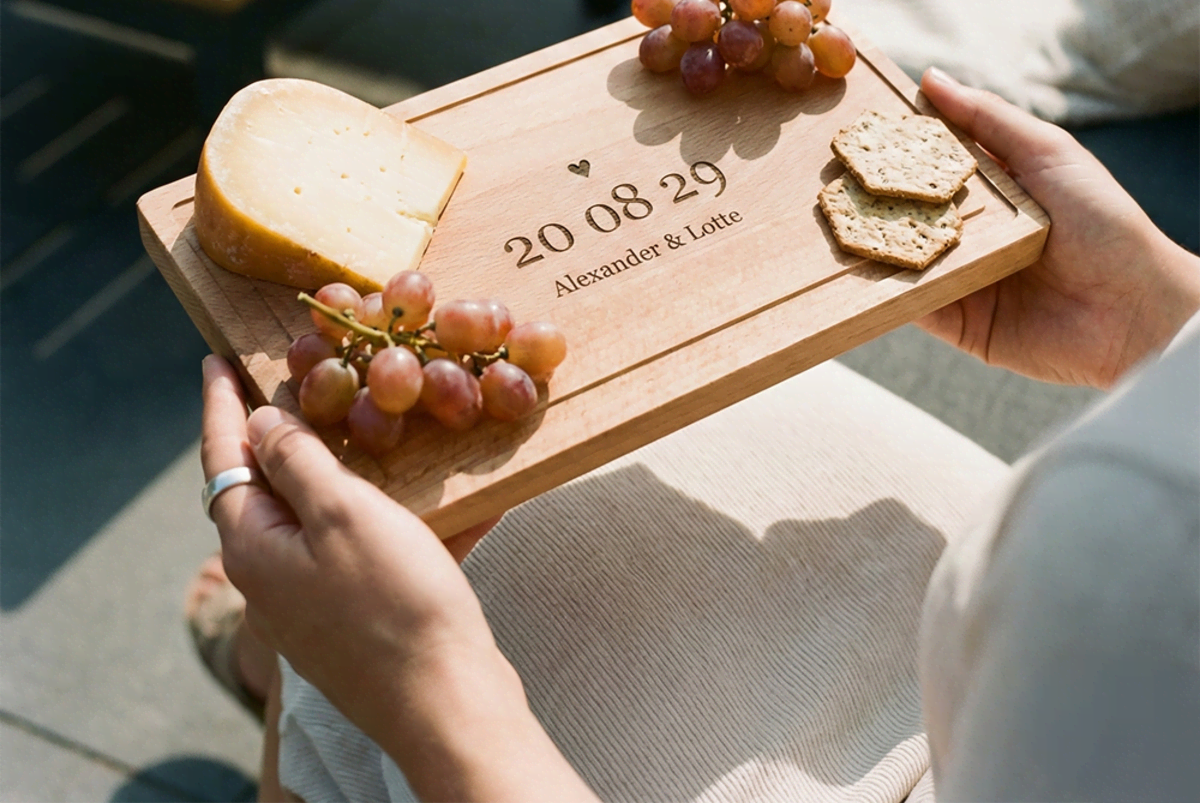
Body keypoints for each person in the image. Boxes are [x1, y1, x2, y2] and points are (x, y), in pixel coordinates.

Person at [193, 66, 1200, 803]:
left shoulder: (1128, 527)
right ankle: (285, 643)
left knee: (372, 589)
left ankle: (286, 658)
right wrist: (1159, 319)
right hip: (1044, 662)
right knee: (665, 404)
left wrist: (432, 692)